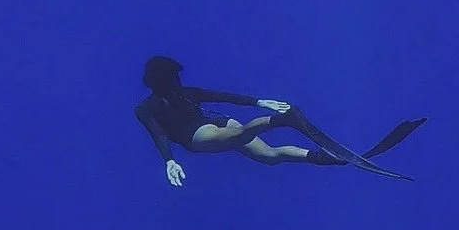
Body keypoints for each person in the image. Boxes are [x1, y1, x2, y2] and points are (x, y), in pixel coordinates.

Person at [134, 56, 423, 187]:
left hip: (198, 135)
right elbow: (226, 98)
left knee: (240, 137)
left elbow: (159, 134)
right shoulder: (170, 98)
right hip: (221, 122)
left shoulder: (150, 105)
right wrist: (259, 101)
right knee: (270, 156)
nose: (176, 82)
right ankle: (323, 157)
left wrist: (169, 160)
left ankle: (282, 120)